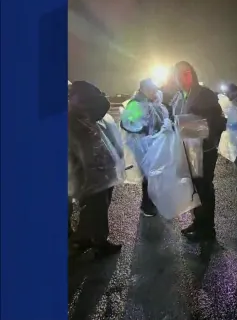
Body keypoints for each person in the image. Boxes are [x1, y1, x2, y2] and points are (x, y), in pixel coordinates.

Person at [171, 61, 227, 242]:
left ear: (193, 74)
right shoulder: (179, 97)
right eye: (178, 74)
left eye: (186, 73)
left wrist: (190, 125)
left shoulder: (205, 94)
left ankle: (208, 229)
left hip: (204, 150)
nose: (182, 77)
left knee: (205, 188)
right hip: (187, 149)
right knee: (193, 187)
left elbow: (219, 121)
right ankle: (198, 221)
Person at [68, 81, 122, 257]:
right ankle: (97, 242)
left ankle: (84, 239)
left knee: (93, 206)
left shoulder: (83, 115)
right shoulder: (72, 118)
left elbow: (102, 106)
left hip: (94, 169)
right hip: (88, 171)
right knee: (96, 206)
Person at [120, 78, 169, 217]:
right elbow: (128, 123)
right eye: (151, 90)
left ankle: (153, 201)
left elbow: (161, 118)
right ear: (143, 89)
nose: (154, 92)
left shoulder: (154, 102)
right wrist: (143, 128)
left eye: (155, 89)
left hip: (155, 143)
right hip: (142, 145)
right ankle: (147, 205)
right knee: (149, 175)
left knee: (156, 174)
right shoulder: (135, 104)